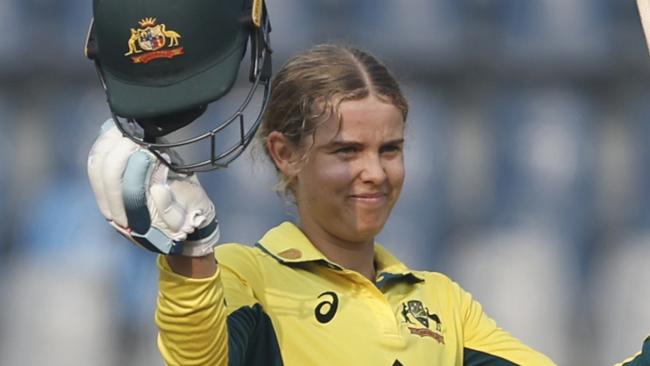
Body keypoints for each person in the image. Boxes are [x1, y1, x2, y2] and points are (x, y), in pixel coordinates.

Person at [89, 43, 557, 365]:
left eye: (389, 149)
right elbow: (199, 359)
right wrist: (191, 254)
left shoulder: (443, 302)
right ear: (285, 153)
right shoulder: (245, 276)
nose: (374, 171)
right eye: (347, 151)